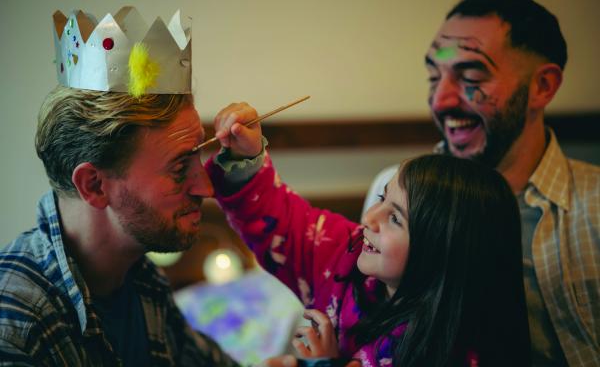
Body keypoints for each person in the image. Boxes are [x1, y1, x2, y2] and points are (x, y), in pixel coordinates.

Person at [366, 0, 600, 366]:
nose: (440, 100)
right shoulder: (390, 193)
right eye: (433, 76)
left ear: (543, 87)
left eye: (471, 75)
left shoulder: (595, 206)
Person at [204, 102, 531, 366]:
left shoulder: (455, 352)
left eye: (396, 220)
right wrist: (245, 159)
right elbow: (284, 225)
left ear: (445, 253)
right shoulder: (345, 253)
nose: (370, 219)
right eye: (381, 199)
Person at [0, 7, 239, 365]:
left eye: (197, 158)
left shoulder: (142, 281)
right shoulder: (16, 324)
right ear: (94, 185)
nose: (206, 188)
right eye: (178, 168)